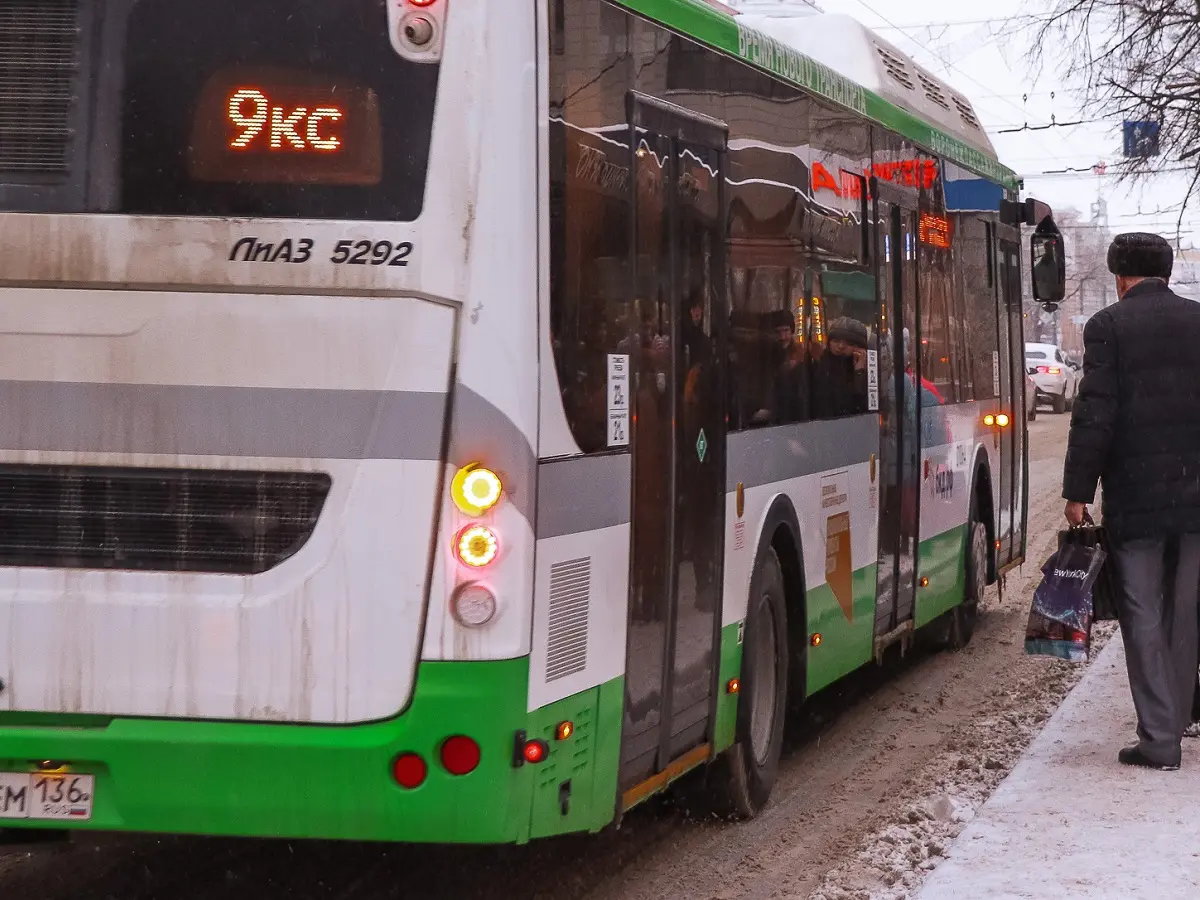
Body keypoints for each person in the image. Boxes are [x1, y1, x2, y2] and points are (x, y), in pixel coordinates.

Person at [1063, 231, 1200, 771]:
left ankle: (1160, 737)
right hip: (1196, 497)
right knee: (1185, 609)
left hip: (1136, 497)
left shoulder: (1108, 328)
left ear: (1120, 278)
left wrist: (1078, 493)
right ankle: (1178, 714)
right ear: (1165, 272)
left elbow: (1096, 413)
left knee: (1141, 609)